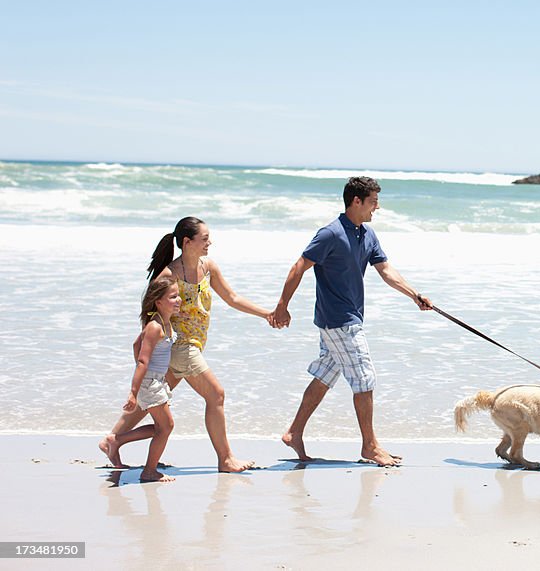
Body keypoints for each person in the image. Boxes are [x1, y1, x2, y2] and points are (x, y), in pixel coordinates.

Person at [272, 176, 432, 466]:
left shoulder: (366, 234)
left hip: (347, 318)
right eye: (373, 201)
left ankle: (294, 432)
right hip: (338, 320)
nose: (377, 208)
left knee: (324, 376)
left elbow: (385, 270)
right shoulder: (331, 233)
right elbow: (300, 266)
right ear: (356, 201)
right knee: (364, 378)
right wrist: (282, 306)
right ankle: (369, 446)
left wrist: (414, 295)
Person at [99, 217, 276, 472]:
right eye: (205, 239)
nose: (210, 243)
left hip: (188, 347)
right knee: (216, 394)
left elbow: (232, 297)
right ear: (187, 242)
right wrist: (145, 354)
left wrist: (266, 314)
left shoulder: (209, 267)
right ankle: (225, 459)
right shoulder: (169, 275)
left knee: (152, 398)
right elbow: (149, 314)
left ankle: (112, 440)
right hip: (180, 347)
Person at [114, 276, 181, 483]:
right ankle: (149, 471)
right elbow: (142, 360)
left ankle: (116, 441)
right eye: (172, 297)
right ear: (158, 302)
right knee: (166, 426)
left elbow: (136, 343)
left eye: (178, 295)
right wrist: (134, 391)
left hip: (157, 381)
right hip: (150, 382)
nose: (178, 300)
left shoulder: (165, 322)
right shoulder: (155, 327)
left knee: (164, 427)